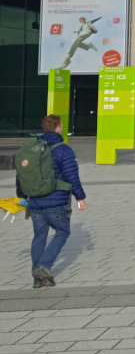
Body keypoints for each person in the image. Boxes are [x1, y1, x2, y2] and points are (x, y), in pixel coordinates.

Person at [16, 115, 86, 288]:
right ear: (58, 128)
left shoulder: (31, 149)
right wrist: (80, 196)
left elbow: (21, 176)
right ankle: (43, 266)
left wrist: (23, 197)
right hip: (56, 201)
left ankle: (38, 278)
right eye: (61, 125)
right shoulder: (64, 150)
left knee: (39, 236)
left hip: (35, 202)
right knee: (62, 231)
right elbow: (71, 176)